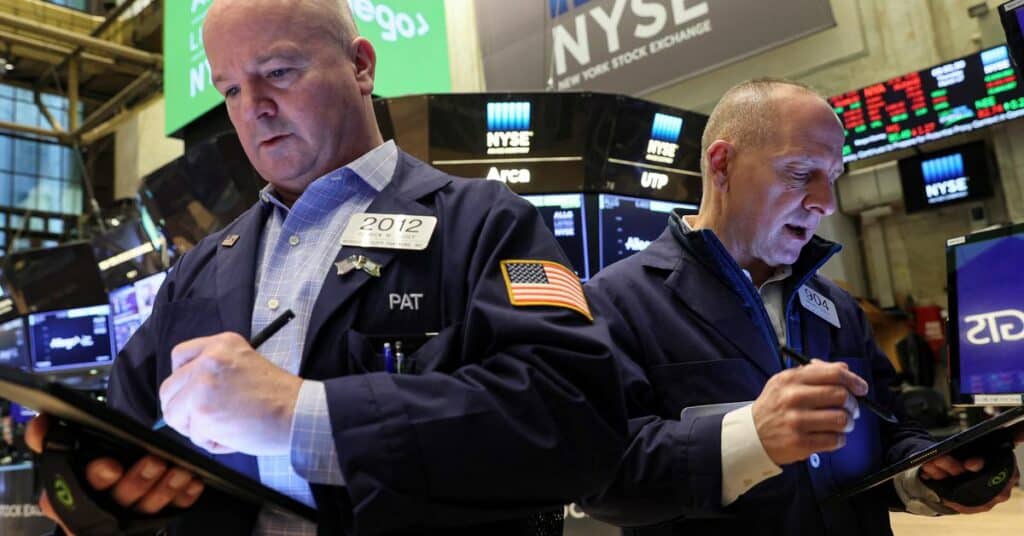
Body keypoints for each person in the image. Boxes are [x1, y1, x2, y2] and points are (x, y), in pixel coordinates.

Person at [25, 0, 628, 534]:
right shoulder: (201, 268)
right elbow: (126, 430)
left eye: (278, 73)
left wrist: (301, 414)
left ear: (361, 66)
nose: (253, 109)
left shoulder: (484, 223)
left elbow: (575, 420)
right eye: (231, 89)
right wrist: (87, 473)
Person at [579, 79, 1019, 535]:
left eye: (831, 178)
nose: (825, 203)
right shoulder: (616, 302)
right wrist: (750, 438)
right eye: (800, 172)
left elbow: (890, 429)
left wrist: (929, 471)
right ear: (722, 164)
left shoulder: (839, 307)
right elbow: (604, 477)